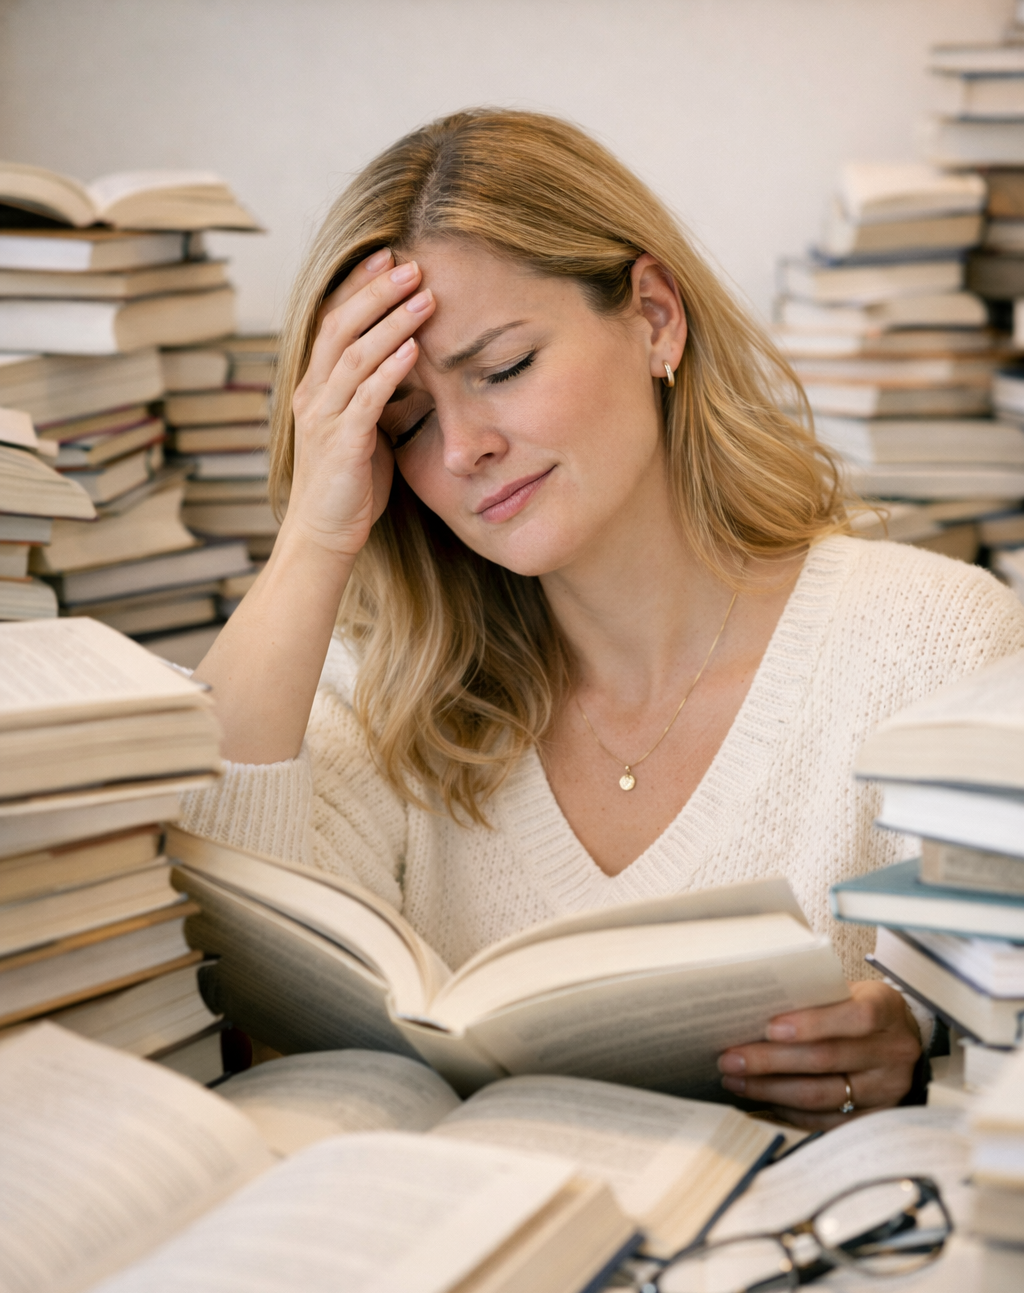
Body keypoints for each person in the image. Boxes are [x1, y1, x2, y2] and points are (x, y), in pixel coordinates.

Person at [183, 108, 1024, 1129]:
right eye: (403, 421)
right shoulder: (389, 700)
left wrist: (922, 1048)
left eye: (501, 369)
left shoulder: (938, 646)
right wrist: (314, 537)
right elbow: (209, 917)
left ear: (655, 317)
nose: (460, 450)